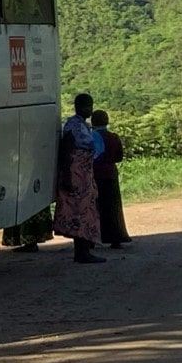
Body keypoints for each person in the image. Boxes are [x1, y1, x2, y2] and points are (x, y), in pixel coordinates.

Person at [53, 93, 104, 264]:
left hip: (84, 175)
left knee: (86, 211)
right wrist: (67, 175)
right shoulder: (73, 125)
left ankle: (84, 250)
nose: (90, 109)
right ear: (79, 107)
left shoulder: (83, 125)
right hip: (75, 175)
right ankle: (82, 252)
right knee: (79, 212)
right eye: (87, 106)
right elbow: (66, 150)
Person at [91, 109, 131, 249]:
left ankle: (93, 238)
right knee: (113, 207)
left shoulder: (91, 136)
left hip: (95, 175)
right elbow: (119, 157)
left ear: (93, 121)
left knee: (95, 207)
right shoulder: (114, 137)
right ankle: (116, 238)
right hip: (111, 174)